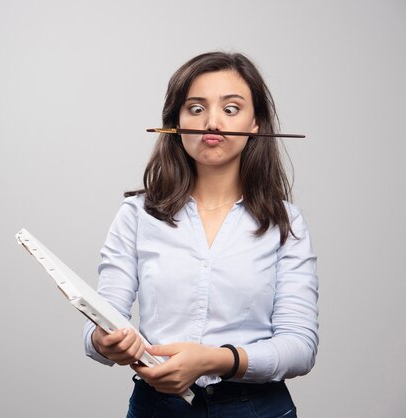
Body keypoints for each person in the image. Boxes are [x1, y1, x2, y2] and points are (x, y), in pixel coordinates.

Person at [83, 51, 318, 417]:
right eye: (195, 108)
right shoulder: (136, 215)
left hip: (256, 408)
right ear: (175, 122)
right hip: (157, 407)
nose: (212, 122)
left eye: (231, 108)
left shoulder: (286, 222)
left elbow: (300, 347)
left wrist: (216, 359)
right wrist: (104, 340)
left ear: (255, 122)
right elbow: (100, 322)